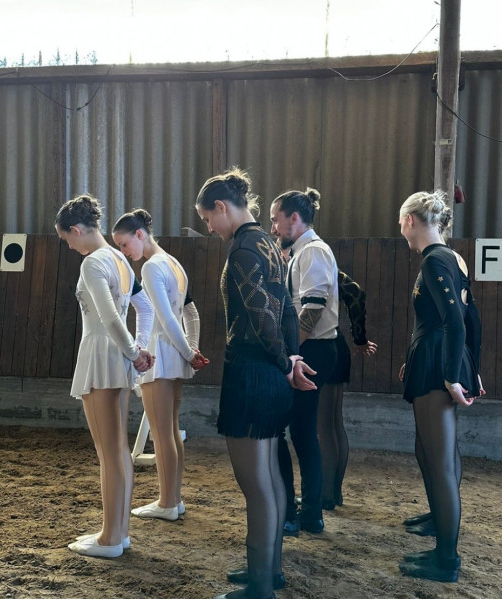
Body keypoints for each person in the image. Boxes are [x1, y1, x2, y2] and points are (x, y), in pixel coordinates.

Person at [196, 168, 316, 599]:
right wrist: (291, 358)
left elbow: (263, 315)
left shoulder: (245, 248)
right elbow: (286, 312)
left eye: (208, 219)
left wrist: (285, 361)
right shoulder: (269, 243)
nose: (210, 228)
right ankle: (268, 570)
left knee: (256, 484)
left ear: (222, 207)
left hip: (252, 372)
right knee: (269, 478)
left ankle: (260, 586)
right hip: (269, 372)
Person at [55, 194, 155, 559]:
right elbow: (144, 308)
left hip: (102, 355)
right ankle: (118, 533)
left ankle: (110, 538)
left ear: (76, 229)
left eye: (67, 239)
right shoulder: (120, 259)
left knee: (108, 452)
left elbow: (110, 317)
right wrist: (138, 347)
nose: (69, 246)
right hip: (119, 357)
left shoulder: (94, 261)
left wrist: (135, 351)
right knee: (119, 450)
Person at [396, 190, 484, 582]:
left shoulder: (434, 260)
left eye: (401, 224)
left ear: (410, 221)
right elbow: (471, 318)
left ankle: (446, 560)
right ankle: (441, 539)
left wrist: (452, 374)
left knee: (440, 461)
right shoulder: (452, 257)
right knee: (432, 452)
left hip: (437, 362)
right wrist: (471, 368)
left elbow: (455, 321)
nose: (402, 232)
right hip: (435, 356)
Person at [112, 209, 209, 522]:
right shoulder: (173, 263)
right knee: (170, 430)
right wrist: (191, 348)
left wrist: (189, 352)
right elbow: (191, 312)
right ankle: (173, 499)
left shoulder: (152, 267)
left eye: (124, 244)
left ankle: (167, 502)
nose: (123, 252)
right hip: (175, 355)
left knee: (161, 432)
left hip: (160, 355)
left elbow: (167, 319)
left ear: (140, 234)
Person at [270, 189, 339, 535]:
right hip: (310, 348)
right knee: (300, 430)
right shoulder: (302, 252)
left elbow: (312, 310)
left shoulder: (312, 251)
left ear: (294, 218)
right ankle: (308, 511)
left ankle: (298, 511)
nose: (273, 227)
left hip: (311, 349)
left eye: (275, 219)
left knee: (292, 429)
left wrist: (287, 354)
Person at [318, 271, 377, 510]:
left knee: (324, 426)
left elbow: (356, 292)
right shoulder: (329, 266)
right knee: (333, 423)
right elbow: (356, 291)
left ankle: (326, 495)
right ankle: (334, 492)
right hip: (337, 344)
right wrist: (359, 337)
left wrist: (360, 337)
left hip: (323, 345)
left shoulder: (311, 262)